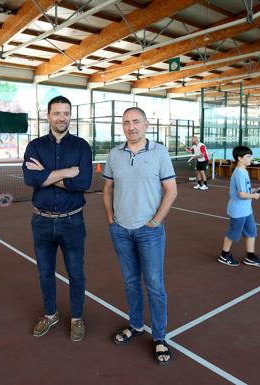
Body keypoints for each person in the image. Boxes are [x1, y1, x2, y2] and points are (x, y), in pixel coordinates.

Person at [103, 107, 177, 366]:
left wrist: (155, 222)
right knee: (131, 282)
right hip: (121, 231)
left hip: (150, 232)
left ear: (146, 125)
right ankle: (135, 325)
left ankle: (159, 337)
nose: (131, 126)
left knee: (155, 286)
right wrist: (112, 220)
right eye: (126, 123)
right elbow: (107, 189)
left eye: (136, 122)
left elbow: (171, 190)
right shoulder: (114, 154)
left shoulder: (160, 152)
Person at [22, 96, 93, 342]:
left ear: (70, 116)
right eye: (57, 113)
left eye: (66, 113)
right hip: (41, 221)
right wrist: (66, 173)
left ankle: (76, 318)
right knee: (45, 272)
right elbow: (31, 180)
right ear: (48, 115)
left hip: (73, 221)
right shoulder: (35, 146)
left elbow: (83, 182)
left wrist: (46, 175)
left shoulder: (82, 146)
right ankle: (50, 315)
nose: (62, 117)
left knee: (76, 272)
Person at [217, 146, 260, 268]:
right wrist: (254, 196)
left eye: (251, 156)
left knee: (251, 231)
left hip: (246, 210)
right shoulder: (239, 173)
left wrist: (256, 189)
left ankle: (250, 256)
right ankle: (224, 255)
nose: (251, 158)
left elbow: (246, 190)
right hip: (238, 210)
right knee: (233, 234)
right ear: (239, 158)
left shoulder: (244, 171)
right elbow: (242, 194)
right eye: (248, 156)